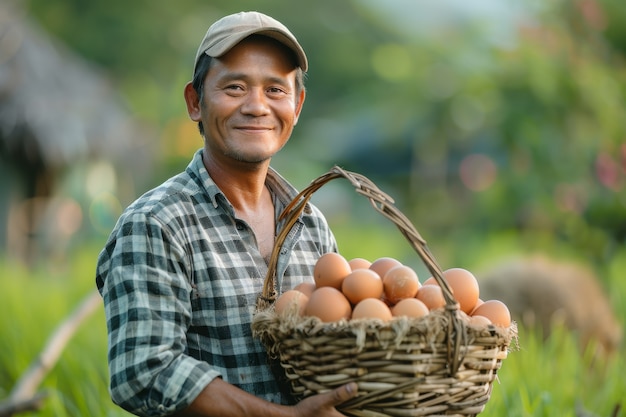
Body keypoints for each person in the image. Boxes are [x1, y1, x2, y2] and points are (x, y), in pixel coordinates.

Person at [95, 10, 357, 417]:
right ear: (195, 102)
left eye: (275, 90)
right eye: (235, 87)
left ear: (297, 105)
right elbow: (143, 371)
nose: (256, 107)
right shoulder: (157, 223)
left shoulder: (310, 224)